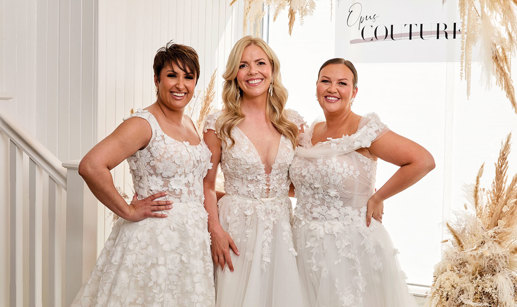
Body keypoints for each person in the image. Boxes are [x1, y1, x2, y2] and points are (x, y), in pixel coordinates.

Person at [72, 42, 215, 306]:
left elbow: (194, 184)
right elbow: (91, 166)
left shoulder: (190, 123)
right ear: (157, 79)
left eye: (188, 77)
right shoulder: (143, 124)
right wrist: (127, 210)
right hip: (153, 242)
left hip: (191, 244)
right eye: (172, 75)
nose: (180, 85)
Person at [290, 58, 435, 307]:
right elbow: (303, 186)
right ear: (316, 87)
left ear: (354, 92)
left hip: (349, 249)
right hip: (303, 245)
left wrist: (378, 197)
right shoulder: (307, 133)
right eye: (325, 81)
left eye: (342, 83)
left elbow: (422, 161)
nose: (332, 88)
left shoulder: (365, 131)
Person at [203, 36, 307, 307]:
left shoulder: (292, 123)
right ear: (234, 75)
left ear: (272, 70)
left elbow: (308, 178)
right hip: (235, 229)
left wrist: (365, 194)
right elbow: (205, 184)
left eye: (260, 63)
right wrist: (215, 230)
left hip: (282, 229)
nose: (253, 72)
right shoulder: (219, 123)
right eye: (243, 65)